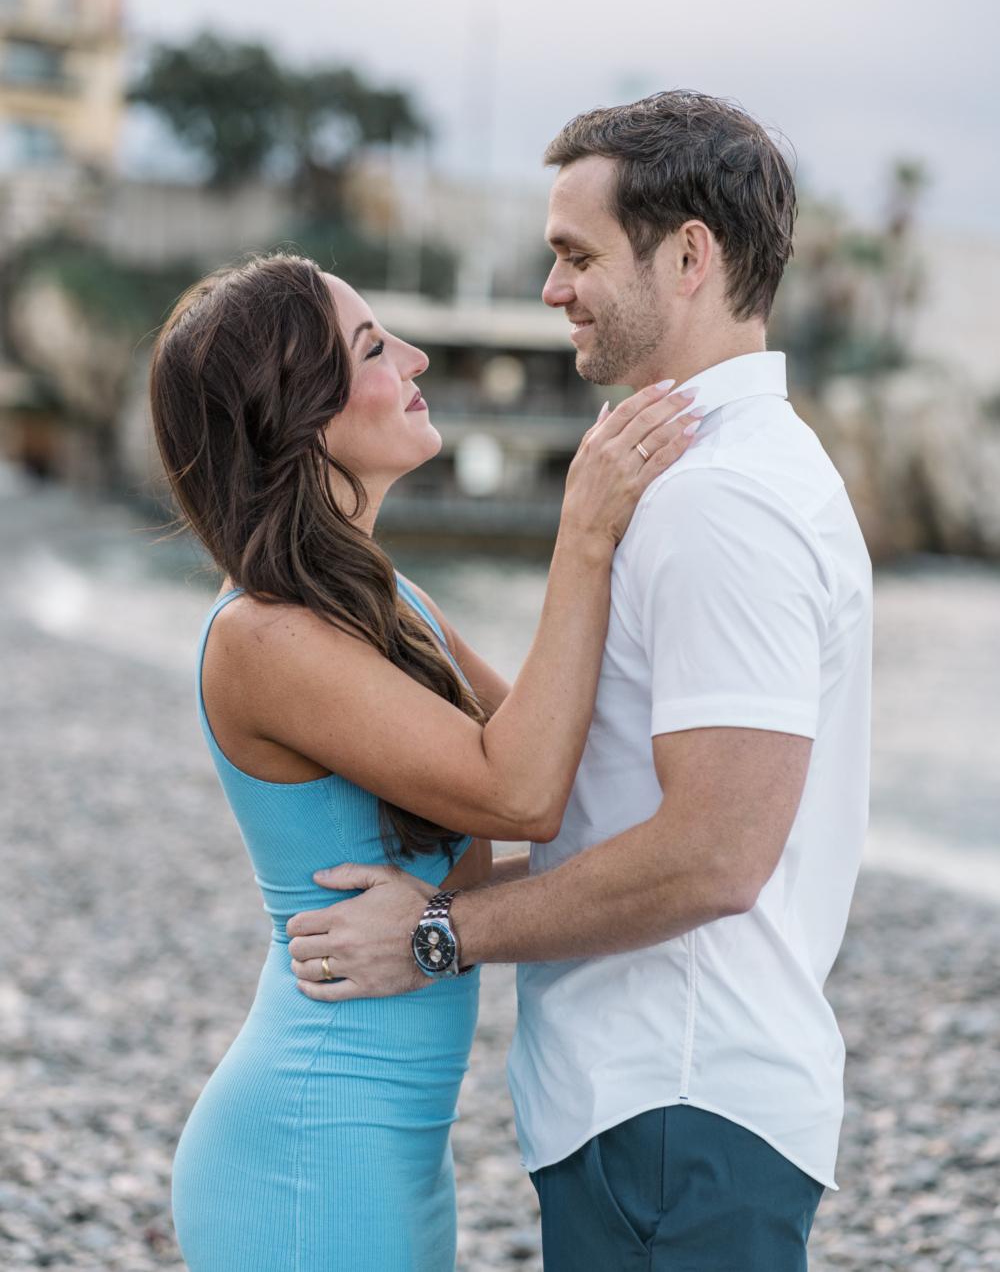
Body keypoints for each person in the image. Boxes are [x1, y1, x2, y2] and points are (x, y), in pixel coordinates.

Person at [286, 92, 874, 1271]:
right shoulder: (706, 473)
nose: (551, 289)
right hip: (659, 1105)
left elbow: (716, 854)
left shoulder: (721, 504)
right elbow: (576, 745)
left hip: (677, 1102)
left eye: (575, 255)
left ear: (691, 257)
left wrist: (440, 935)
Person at [150, 251, 697, 1272]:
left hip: (389, 1146)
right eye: (370, 346)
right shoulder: (263, 636)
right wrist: (581, 535)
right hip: (312, 1142)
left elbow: (566, 756)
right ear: (295, 414)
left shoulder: (388, 606)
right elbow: (520, 792)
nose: (416, 356)